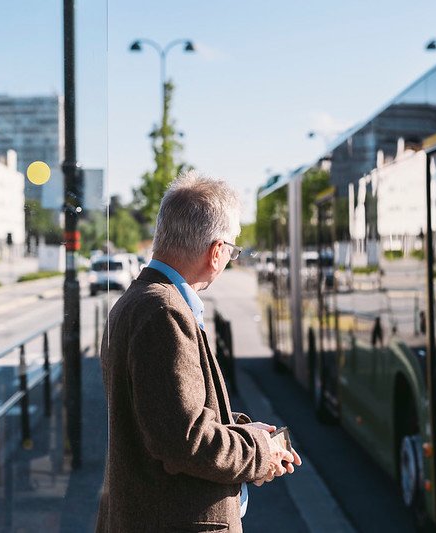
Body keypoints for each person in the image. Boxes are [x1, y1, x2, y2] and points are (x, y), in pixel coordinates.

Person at [96, 171, 301, 532]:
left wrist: (242, 432)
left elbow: (163, 417)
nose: (230, 257)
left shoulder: (138, 301)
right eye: (233, 249)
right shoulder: (164, 312)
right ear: (217, 251)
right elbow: (184, 440)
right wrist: (259, 451)